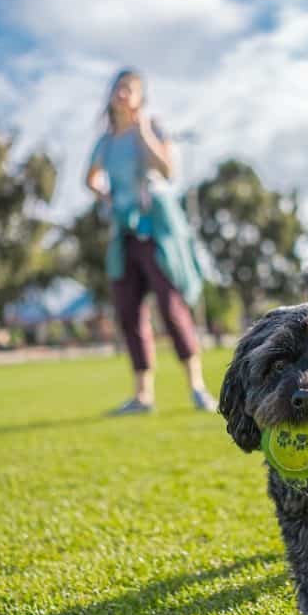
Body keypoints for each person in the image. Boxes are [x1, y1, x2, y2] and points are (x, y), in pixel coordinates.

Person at [86, 69, 217, 414]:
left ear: (141, 97)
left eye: (130, 89)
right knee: (129, 312)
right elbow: (91, 178)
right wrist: (105, 197)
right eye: (119, 88)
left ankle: (197, 387)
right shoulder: (106, 141)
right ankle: (143, 396)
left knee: (171, 307)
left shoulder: (152, 127)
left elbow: (168, 171)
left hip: (155, 229)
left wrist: (142, 128)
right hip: (123, 232)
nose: (123, 94)